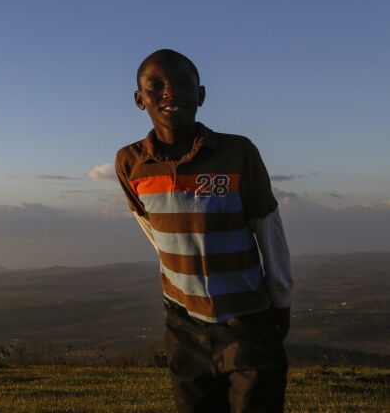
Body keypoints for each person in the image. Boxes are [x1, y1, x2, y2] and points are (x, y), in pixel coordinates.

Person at [115, 49, 293, 413]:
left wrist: (281, 301)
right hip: (183, 325)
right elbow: (153, 229)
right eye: (156, 85)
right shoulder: (130, 162)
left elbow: (267, 228)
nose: (170, 92)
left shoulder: (238, 152)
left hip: (248, 319)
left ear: (201, 95)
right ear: (139, 99)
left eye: (182, 83)